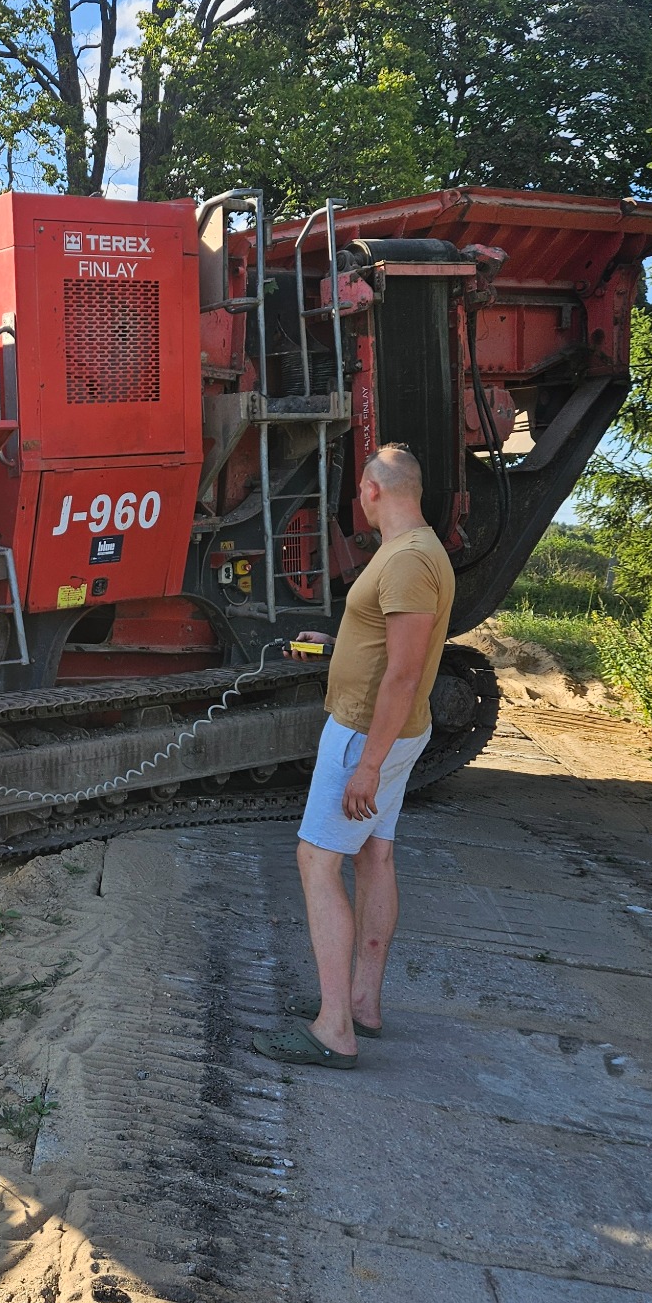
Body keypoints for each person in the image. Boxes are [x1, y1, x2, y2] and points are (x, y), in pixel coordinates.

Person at [256, 444, 455, 1070]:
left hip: (367, 734)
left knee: (317, 859)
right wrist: (335, 645)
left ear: (372, 489)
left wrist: (367, 764)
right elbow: (390, 644)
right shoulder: (418, 554)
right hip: (392, 732)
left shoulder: (408, 561)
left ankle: (334, 1028)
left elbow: (402, 673)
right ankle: (363, 1004)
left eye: (361, 493)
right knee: (374, 850)